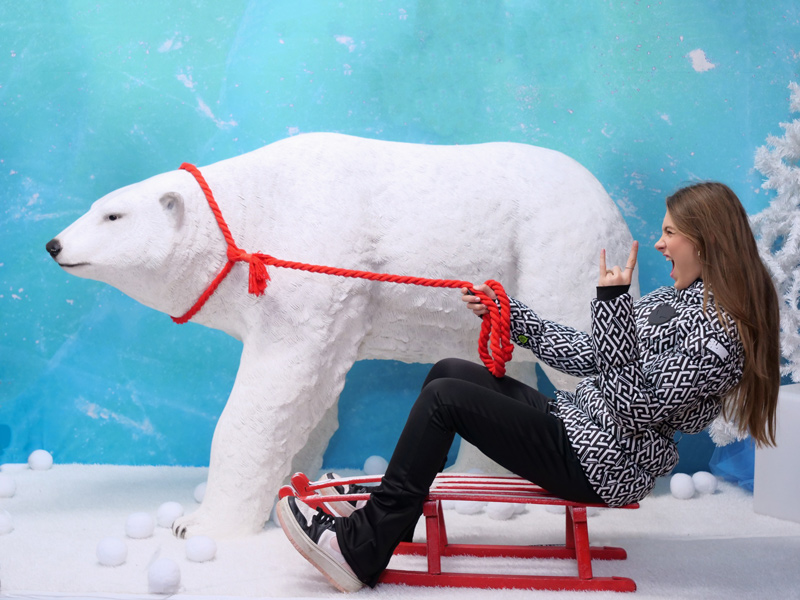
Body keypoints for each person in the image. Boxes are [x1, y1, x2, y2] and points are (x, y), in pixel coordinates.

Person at [275, 181, 780, 592]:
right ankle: (391, 519)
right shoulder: (674, 300)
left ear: (704, 240)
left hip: (601, 463)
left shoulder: (720, 335)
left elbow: (638, 409)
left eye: (670, 232)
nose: (659, 243)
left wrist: (612, 305)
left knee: (443, 402)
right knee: (450, 372)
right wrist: (512, 317)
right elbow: (592, 355)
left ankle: (359, 551)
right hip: (577, 429)